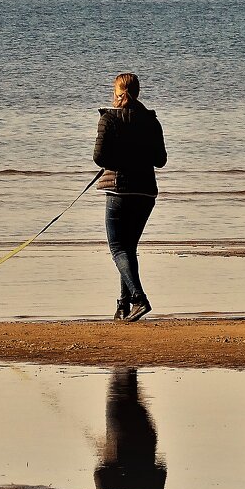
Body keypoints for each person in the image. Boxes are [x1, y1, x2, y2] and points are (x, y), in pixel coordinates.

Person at [94, 73, 167, 322]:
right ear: (137, 92)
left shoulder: (108, 119)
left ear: (116, 92)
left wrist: (121, 159)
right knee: (128, 248)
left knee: (117, 248)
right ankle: (123, 305)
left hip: (119, 189)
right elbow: (161, 160)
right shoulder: (151, 120)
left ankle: (138, 298)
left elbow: (99, 158)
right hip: (146, 191)